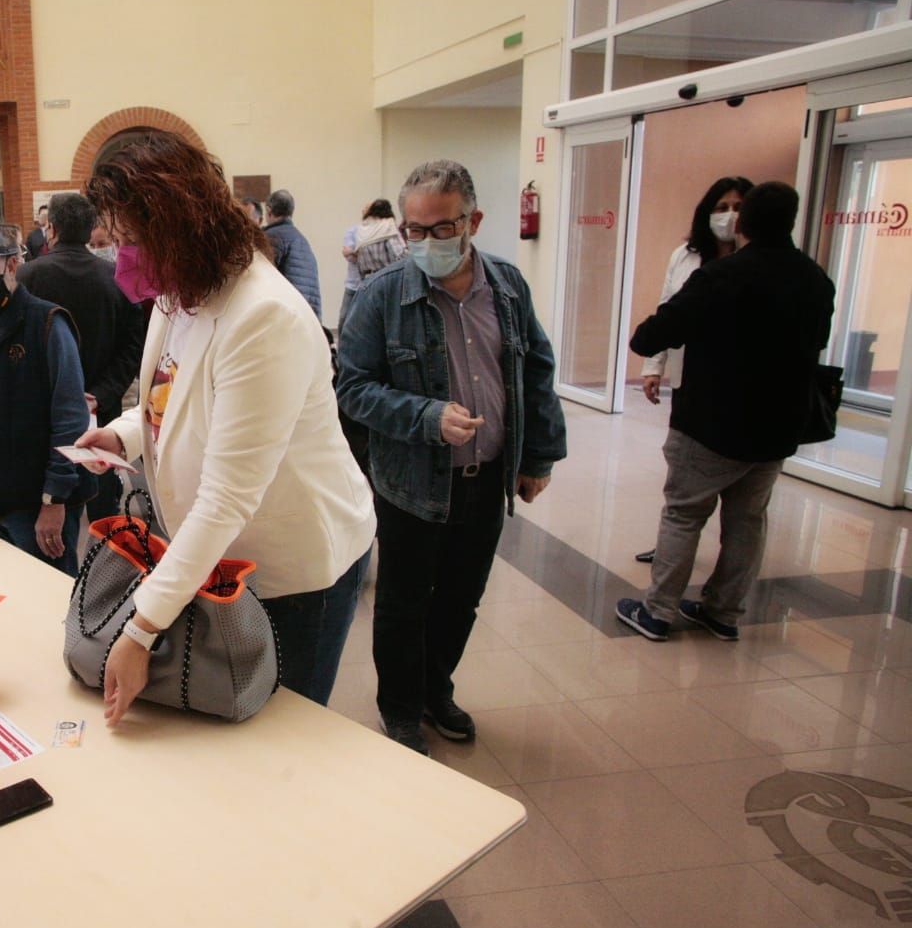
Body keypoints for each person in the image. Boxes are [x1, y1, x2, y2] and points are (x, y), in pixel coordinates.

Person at [76, 132, 375, 717]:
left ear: (180, 226)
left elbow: (227, 496)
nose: (125, 257)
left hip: (293, 567)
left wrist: (140, 631)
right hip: (218, 552)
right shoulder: (181, 294)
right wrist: (124, 434)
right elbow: (172, 396)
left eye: (134, 241)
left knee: (282, 730)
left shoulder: (263, 316)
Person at [337, 159, 567, 756]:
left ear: (473, 221)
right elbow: (352, 387)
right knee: (404, 602)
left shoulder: (508, 287)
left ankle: (437, 689)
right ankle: (402, 708)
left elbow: (536, 371)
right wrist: (425, 417)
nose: (426, 242)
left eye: (442, 229)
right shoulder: (383, 295)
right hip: (413, 481)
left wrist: (537, 454)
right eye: (414, 230)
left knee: (462, 596)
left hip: (486, 477)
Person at [616, 182, 834, 643]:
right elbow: (815, 343)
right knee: (748, 519)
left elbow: (651, 335)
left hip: (712, 423)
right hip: (777, 427)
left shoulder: (722, 276)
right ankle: (724, 612)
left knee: (683, 514)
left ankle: (657, 612)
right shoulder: (815, 280)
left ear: (745, 223)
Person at [0, 221, 96, 576]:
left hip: (32, 502)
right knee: (8, 591)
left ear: (11, 265)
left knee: (47, 595)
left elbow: (70, 419)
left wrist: (53, 501)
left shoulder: (45, 323)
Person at [632, 176, 753, 564]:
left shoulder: (758, 260)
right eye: (721, 207)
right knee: (682, 477)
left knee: (742, 496)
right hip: (693, 381)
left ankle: (705, 553)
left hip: (742, 383)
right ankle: (674, 543)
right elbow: (668, 309)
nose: (729, 215)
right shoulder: (685, 254)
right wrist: (654, 366)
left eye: (738, 207)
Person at [19, 191, 147, 522]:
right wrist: (102, 393)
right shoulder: (115, 277)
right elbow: (135, 345)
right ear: (92, 230)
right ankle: (107, 559)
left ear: (51, 228)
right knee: (103, 499)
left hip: (45, 408)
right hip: (101, 405)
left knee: (55, 495)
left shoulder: (26, 278)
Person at [339, 198, 407, 331]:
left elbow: (357, 259)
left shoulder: (362, 231)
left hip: (366, 284)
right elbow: (401, 255)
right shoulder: (388, 228)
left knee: (361, 325)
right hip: (389, 284)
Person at [262, 189, 322, 317]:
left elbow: (262, 276)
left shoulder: (272, 237)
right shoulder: (300, 238)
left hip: (290, 312)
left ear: (268, 210)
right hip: (309, 312)